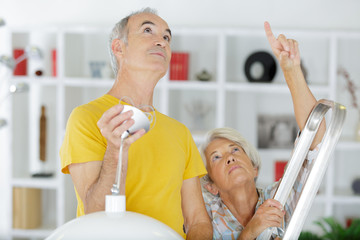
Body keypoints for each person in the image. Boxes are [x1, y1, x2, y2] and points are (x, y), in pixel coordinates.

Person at [60, 8, 212, 239]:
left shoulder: (180, 133)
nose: (161, 41)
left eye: (167, 37)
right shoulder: (86, 118)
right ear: (119, 47)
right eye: (148, 30)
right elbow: (95, 213)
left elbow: (197, 221)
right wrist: (115, 149)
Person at [199, 22, 326, 240]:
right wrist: (252, 228)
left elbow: (314, 143)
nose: (229, 158)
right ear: (212, 187)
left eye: (235, 150)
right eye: (217, 157)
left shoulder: (278, 198)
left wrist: (291, 70)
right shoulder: (204, 216)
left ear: (255, 168)